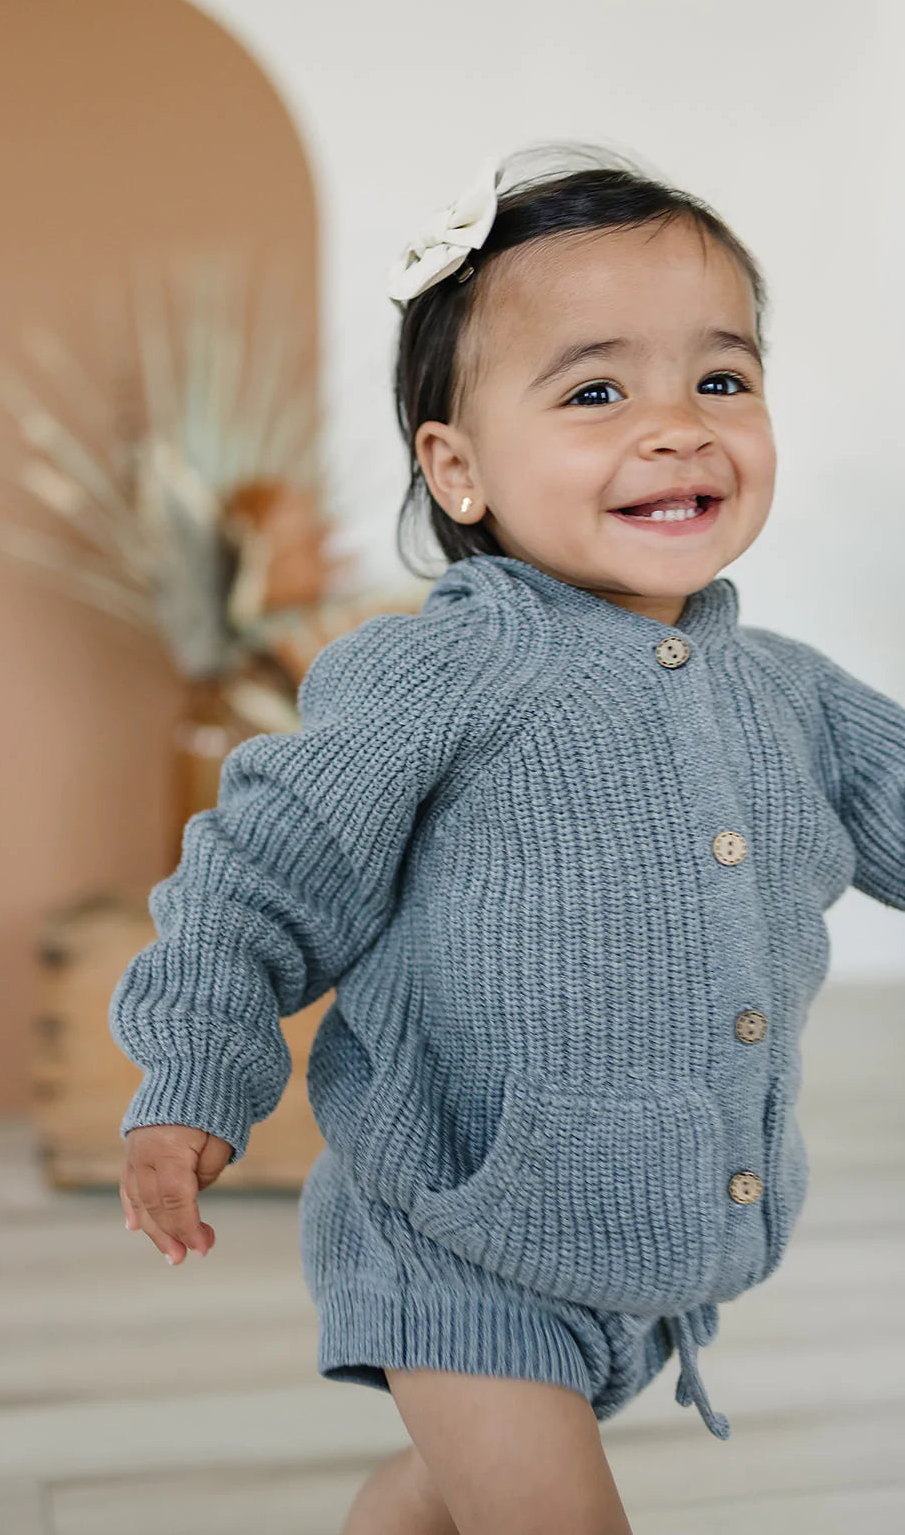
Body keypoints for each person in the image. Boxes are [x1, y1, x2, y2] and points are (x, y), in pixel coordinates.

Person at [108, 141, 905, 1534]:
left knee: (445, 1495)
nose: (677, 428)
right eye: (596, 391)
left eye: (721, 380)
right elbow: (258, 881)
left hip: (644, 1243)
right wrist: (192, 1077)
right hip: (456, 1234)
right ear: (459, 468)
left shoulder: (791, 696)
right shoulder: (441, 676)